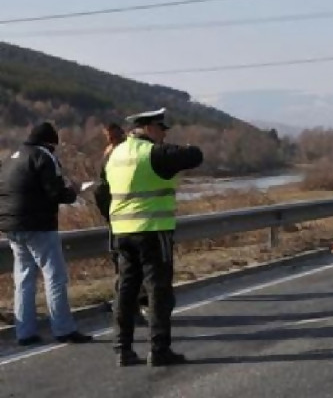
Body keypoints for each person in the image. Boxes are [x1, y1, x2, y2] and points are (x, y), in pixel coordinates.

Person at [100, 108, 203, 367]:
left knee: (126, 290)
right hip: (153, 230)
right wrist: (183, 146)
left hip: (122, 232)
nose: (164, 134)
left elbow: (101, 190)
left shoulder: (114, 154)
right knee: (158, 290)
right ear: (148, 128)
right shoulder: (152, 153)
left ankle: (122, 349)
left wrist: (111, 218)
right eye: (161, 129)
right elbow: (195, 156)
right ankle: (159, 350)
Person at [0, 122, 93, 345]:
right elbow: (55, 192)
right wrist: (74, 191)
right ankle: (63, 329)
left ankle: (25, 333)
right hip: (39, 226)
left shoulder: (11, 158)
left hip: (11, 226)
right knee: (55, 277)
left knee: (24, 279)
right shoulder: (44, 156)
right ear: (50, 143)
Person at [94, 122, 149, 323]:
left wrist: (109, 214)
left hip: (120, 219)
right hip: (136, 218)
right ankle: (134, 305)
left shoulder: (112, 156)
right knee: (133, 265)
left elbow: (101, 189)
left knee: (126, 266)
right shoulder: (129, 153)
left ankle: (129, 307)